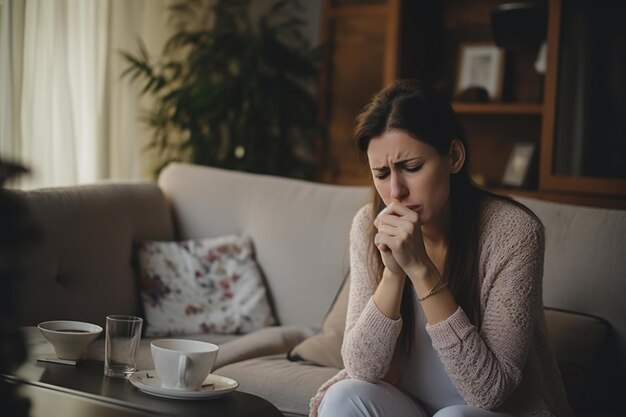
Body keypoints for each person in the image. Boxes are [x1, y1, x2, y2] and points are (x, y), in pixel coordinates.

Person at [309, 80, 572, 417]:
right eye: (381, 173)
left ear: (454, 157)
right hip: (410, 405)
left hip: (489, 412)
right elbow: (362, 369)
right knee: (343, 397)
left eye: (412, 168)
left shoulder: (514, 232)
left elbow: (488, 391)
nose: (396, 191)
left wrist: (420, 269)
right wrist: (393, 273)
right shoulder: (368, 224)